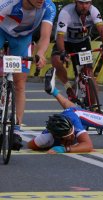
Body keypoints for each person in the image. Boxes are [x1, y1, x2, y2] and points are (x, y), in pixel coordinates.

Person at [0, 0, 56, 150]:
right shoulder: (8, 3)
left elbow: (45, 36)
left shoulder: (48, 7)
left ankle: (16, 131)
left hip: (22, 39)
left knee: (19, 84)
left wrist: (41, 53)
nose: (41, 0)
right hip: (1, 31)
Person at [51, 0, 103, 102]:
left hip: (82, 42)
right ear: (75, 2)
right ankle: (68, 87)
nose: (84, 6)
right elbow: (60, 36)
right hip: (65, 42)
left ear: (90, 3)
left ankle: (93, 107)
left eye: (87, 3)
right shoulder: (66, 12)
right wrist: (62, 52)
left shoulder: (94, 11)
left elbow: (102, 29)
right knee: (56, 60)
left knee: (89, 74)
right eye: (81, 3)